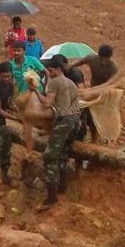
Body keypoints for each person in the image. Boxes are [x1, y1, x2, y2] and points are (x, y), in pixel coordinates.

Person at [33, 57, 81, 210]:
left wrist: (36, 92)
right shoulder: (71, 83)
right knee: (64, 152)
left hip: (64, 121)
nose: (50, 73)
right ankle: (62, 186)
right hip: (75, 121)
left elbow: (47, 103)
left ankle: (51, 197)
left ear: (58, 69)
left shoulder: (54, 82)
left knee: (50, 156)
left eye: (51, 70)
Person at [70, 44, 119, 141]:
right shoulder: (92, 58)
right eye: (102, 59)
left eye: (106, 59)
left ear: (110, 58)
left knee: (100, 118)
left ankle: (99, 139)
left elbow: (111, 83)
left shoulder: (114, 67)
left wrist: (96, 91)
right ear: (98, 56)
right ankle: (84, 136)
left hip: (104, 94)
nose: (104, 62)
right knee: (86, 114)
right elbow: (81, 61)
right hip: (92, 91)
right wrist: (70, 66)